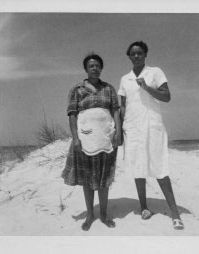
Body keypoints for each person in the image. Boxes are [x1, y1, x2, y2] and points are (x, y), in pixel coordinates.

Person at [118, 41, 184, 230]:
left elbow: (167, 96)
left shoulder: (155, 72)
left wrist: (147, 87)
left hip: (152, 125)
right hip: (132, 127)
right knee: (138, 168)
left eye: (140, 53)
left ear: (145, 55)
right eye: (133, 54)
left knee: (160, 168)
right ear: (129, 57)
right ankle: (144, 207)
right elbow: (123, 105)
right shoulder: (125, 79)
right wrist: (122, 128)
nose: (136, 56)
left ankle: (175, 214)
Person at [61, 53, 121, 231]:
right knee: (88, 179)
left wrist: (117, 132)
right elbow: (72, 114)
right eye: (91, 66)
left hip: (106, 138)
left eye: (97, 66)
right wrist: (75, 138)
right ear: (86, 69)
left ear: (101, 68)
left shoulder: (108, 89)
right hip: (85, 138)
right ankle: (89, 215)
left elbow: (116, 111)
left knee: (104, 178)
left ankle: (103, 214)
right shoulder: (77, 89)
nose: (94, 68)